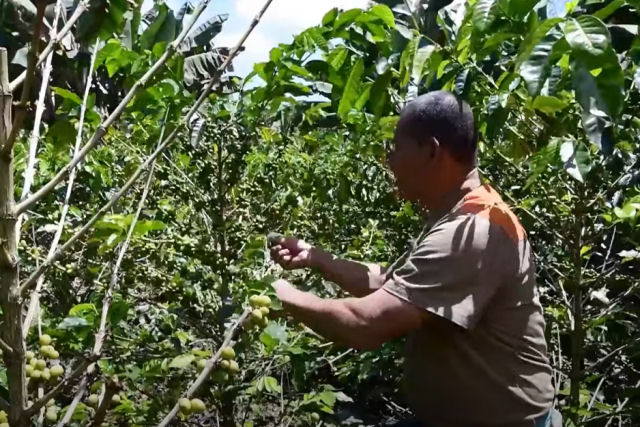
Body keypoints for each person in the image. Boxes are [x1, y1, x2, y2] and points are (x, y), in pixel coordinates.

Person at [269, 91, 558, 427]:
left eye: (396, 148)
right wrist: (317, 258)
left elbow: (366, 325)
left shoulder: (470, 232)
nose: (389, 160)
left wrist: (279, 294)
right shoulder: (461, 214)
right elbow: (393, 284)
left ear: (432, 151)